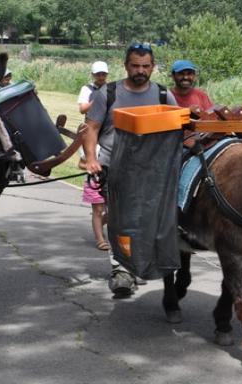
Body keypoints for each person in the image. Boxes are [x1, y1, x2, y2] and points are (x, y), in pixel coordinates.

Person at [83, 43, 178, 296]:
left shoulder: (162, 95)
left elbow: (178, 128)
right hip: (115, 165)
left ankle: (139, 263)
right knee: (120, 218)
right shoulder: (108, 93)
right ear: (126, 66)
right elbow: (91, 128)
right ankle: (121, 269)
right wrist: (91, 159)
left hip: (152, 170)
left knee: (148, 220)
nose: (140, 71)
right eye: (135, 65)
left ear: (153, 67)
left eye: (146, 66)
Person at [76, 61, 110, 252]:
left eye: (103, 74)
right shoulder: (87, 89)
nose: (101, 77)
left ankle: (101, 225)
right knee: (97, 204)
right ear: (93, 74)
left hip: (108, 137)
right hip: (93, 135)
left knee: (113, 209)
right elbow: (82, 109)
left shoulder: (112, 90)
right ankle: (99, 237)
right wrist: (97, 102)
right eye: (98, 74)